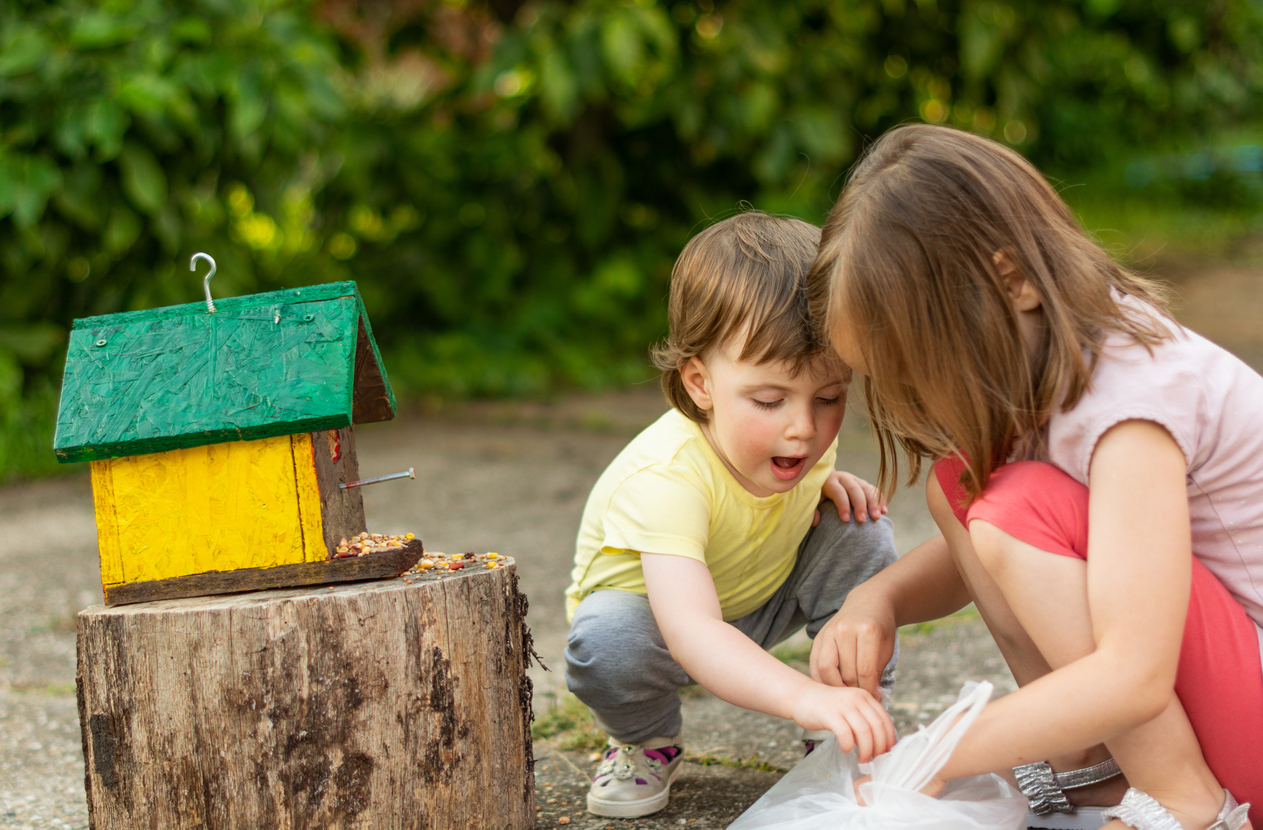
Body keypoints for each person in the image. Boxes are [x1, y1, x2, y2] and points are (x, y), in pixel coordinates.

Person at [808, 123, 1260, 830]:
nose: (919, 399)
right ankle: (1087, 765)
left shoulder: (1131, 409)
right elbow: (1014, 551)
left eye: (922, 364)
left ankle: (1183, 800)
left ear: (1011, 279)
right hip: (1230, 691)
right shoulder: (1063, 360)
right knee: (963, 488)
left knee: (1015, 505)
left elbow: (1133, 674)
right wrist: (878, 599)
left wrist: (936, 751)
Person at [564, 210, 901, 819]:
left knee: (863, 529)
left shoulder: (791, 443)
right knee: (606, 640)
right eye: (769, 400)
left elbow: (797, 490)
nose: (803, 429)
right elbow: (694, 633)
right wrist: (800, 696)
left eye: (829, 398)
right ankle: (646, 741)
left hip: (759, 596)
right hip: (662, 631)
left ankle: (848, 713)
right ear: (700, 384)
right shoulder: (667, 478)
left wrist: (832, 484)